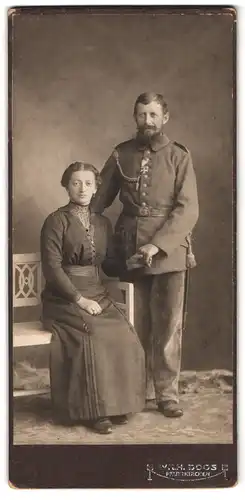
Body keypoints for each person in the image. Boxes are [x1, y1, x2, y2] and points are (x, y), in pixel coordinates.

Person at [91, 92, 199, 418]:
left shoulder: (179, 157)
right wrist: (80, 230)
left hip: (169, 252)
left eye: (153, 115)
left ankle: (167, 394)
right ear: (135, 117)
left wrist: (158, 244)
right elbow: (98, 202)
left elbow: (188, 209)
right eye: (141, 115)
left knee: (168, 327)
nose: (147, 121)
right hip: (129, 251)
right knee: (133, 327)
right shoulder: (121, 154)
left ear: (165, 117)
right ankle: (133, 393)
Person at [40, 162, 145, 434]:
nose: (82, 188)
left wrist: (128, 264)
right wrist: (79, 299)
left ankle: (116, 405)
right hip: (63, 297)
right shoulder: (55, 221)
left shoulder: (102, 222)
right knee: (93, 335)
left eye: (88, 183)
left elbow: (107, 265)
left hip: (97, 292)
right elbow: (52, 269)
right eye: (76, 182)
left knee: (124, 333)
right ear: (66, 186)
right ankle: (93, 411)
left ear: (97, 187)